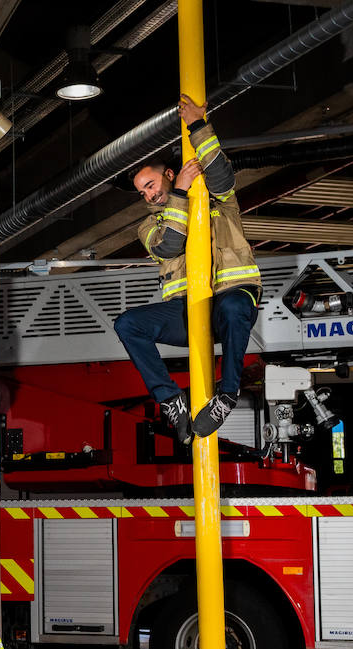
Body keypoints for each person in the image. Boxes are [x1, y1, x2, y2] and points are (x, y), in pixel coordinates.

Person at [113, 93, 261, 445]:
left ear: (167, 174)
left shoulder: (219, 199)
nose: (148, 196)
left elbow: (220, 171)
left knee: (235, 305)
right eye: (142, 193)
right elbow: (170, 246)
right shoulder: (148, 228)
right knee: (127, 324)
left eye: (150, 185)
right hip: (189, 312)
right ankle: (170, 400)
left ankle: (226, 396)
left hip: (230, 300)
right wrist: (178, 192)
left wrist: (197, 124)